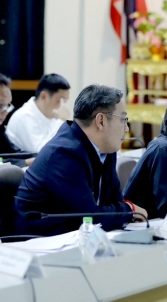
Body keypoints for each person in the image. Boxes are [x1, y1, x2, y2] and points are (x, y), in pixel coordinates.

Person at [15, 85, 147, 235]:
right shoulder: (64, 153)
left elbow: (114, 202)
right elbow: (89, 218)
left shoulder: (106, 149)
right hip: (40, 240)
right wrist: (129, 210)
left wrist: (126, 211)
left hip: (78, 236)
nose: (126, 128)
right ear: (101, 121)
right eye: (123, 119)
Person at [5, 73, 70, 153]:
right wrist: (61, 121)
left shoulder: (51, 118)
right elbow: (41, 152)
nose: (63, 106)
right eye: (60, 100)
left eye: (65, 101)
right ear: (43, 96)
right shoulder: (24, 116)